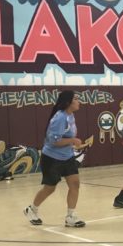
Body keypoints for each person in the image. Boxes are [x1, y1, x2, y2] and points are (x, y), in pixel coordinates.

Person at [24, 90, 85, 228]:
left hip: (67, 156)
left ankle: (70, 216)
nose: (78, 101)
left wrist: (71, 143)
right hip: (52, 158)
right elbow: (53, 141)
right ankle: (31, 209)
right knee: (50, 188)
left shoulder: (71, 116)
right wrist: (73, 140)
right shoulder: (59, 118)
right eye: (76, 99)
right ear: (69, 102)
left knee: (75, 184)